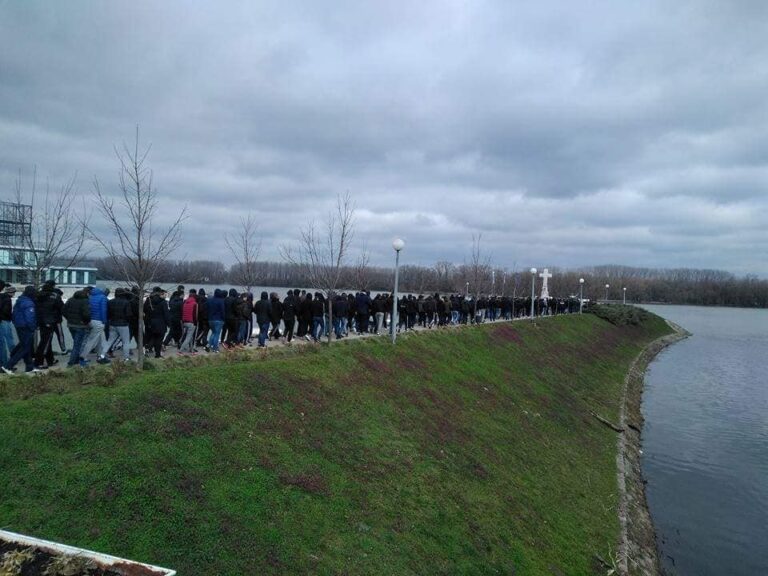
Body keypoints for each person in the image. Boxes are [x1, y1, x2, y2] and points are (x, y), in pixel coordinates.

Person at [2, 285, 38, 374]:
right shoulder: (29, 303)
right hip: (26, 327)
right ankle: (8, 366)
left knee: (26, 347)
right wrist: (33, 327)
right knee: (25, 348)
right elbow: (30, 318)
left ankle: (29, 367)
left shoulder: (20, 300)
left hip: (19, 326)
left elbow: (14, 314)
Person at [34, 280, 62, 369]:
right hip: (50, 321)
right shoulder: (54, 296)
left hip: (40, 321)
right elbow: (61, 307)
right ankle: (39, 362)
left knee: (45, 341)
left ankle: (50, 359)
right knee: (45, 343)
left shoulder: (38, 295)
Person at [62, 287, 92, 367]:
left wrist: (69, 318)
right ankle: (72, 363)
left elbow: (63, 310)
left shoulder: (70, 300)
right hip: (80, 325)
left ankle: (75, 360)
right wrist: (86, 322)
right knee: (78, 344)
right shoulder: (85, 301)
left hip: (71, 325)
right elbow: (86, 314)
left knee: (76, 343)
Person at [81, 286, 110, 364]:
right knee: (92, 340)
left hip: (91, 320)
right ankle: (83, 356)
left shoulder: (90, 296)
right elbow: (103, 310)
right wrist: (104, 321)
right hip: (99, 321)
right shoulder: (103, 297)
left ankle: (100, 356)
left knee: (100, 340)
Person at [102, 287, 133, 362]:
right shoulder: (126, 302)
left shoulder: (110, 302)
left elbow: (108, 314)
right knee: (126, 342)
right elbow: (129, 315)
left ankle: (101, 355)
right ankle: (126, 358)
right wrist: (128, 321)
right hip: (123, 324)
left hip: (112, 323)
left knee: (109, 341)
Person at [145, 287, 170, 358]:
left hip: (152, 321)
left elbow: (146, 310)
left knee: (153, 337)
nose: (165, 296)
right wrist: (169, 324)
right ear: (160, 293)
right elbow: (166, 314)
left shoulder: (150, 300)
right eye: (165, 294)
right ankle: (157, 354)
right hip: (161, 322)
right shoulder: (163, 302)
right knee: (159, 339)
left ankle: (146, 348)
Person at [0, 284, 16, 367]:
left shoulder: (2, 297)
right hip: (5, 320)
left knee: (1, 342)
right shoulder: (7, 299)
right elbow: (6, 311)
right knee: (9, 340)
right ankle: (13, 358)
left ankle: (3, 362)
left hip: (1, 320)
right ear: (12, 293)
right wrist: (10, 317)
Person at [179, 288, 198, 354]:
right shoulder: (195, 303)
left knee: (190, 336)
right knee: (189, 337)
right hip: (191, 322)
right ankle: (180, 351)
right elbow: (195, 315)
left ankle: (191, 349)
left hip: (184, 322)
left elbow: (182, 312)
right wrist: (195, 323)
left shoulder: (185, 302)